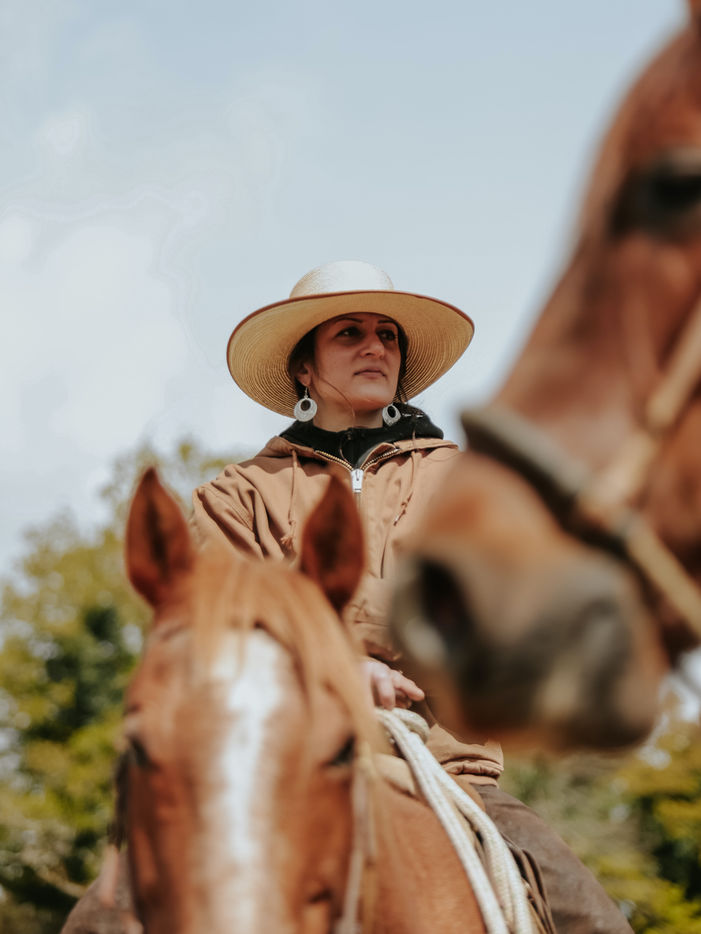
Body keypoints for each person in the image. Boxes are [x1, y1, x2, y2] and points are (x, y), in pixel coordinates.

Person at [190, 260, 634, 934]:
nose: (375, 346)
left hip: (452, 771)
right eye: (349, 333)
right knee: (112, 909)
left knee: (593, 921)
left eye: (387, 335)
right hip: (287, 766)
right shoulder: (235, 495)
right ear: (303, 367)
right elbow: (227, 629)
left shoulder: (470, 480)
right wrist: (345, 664)